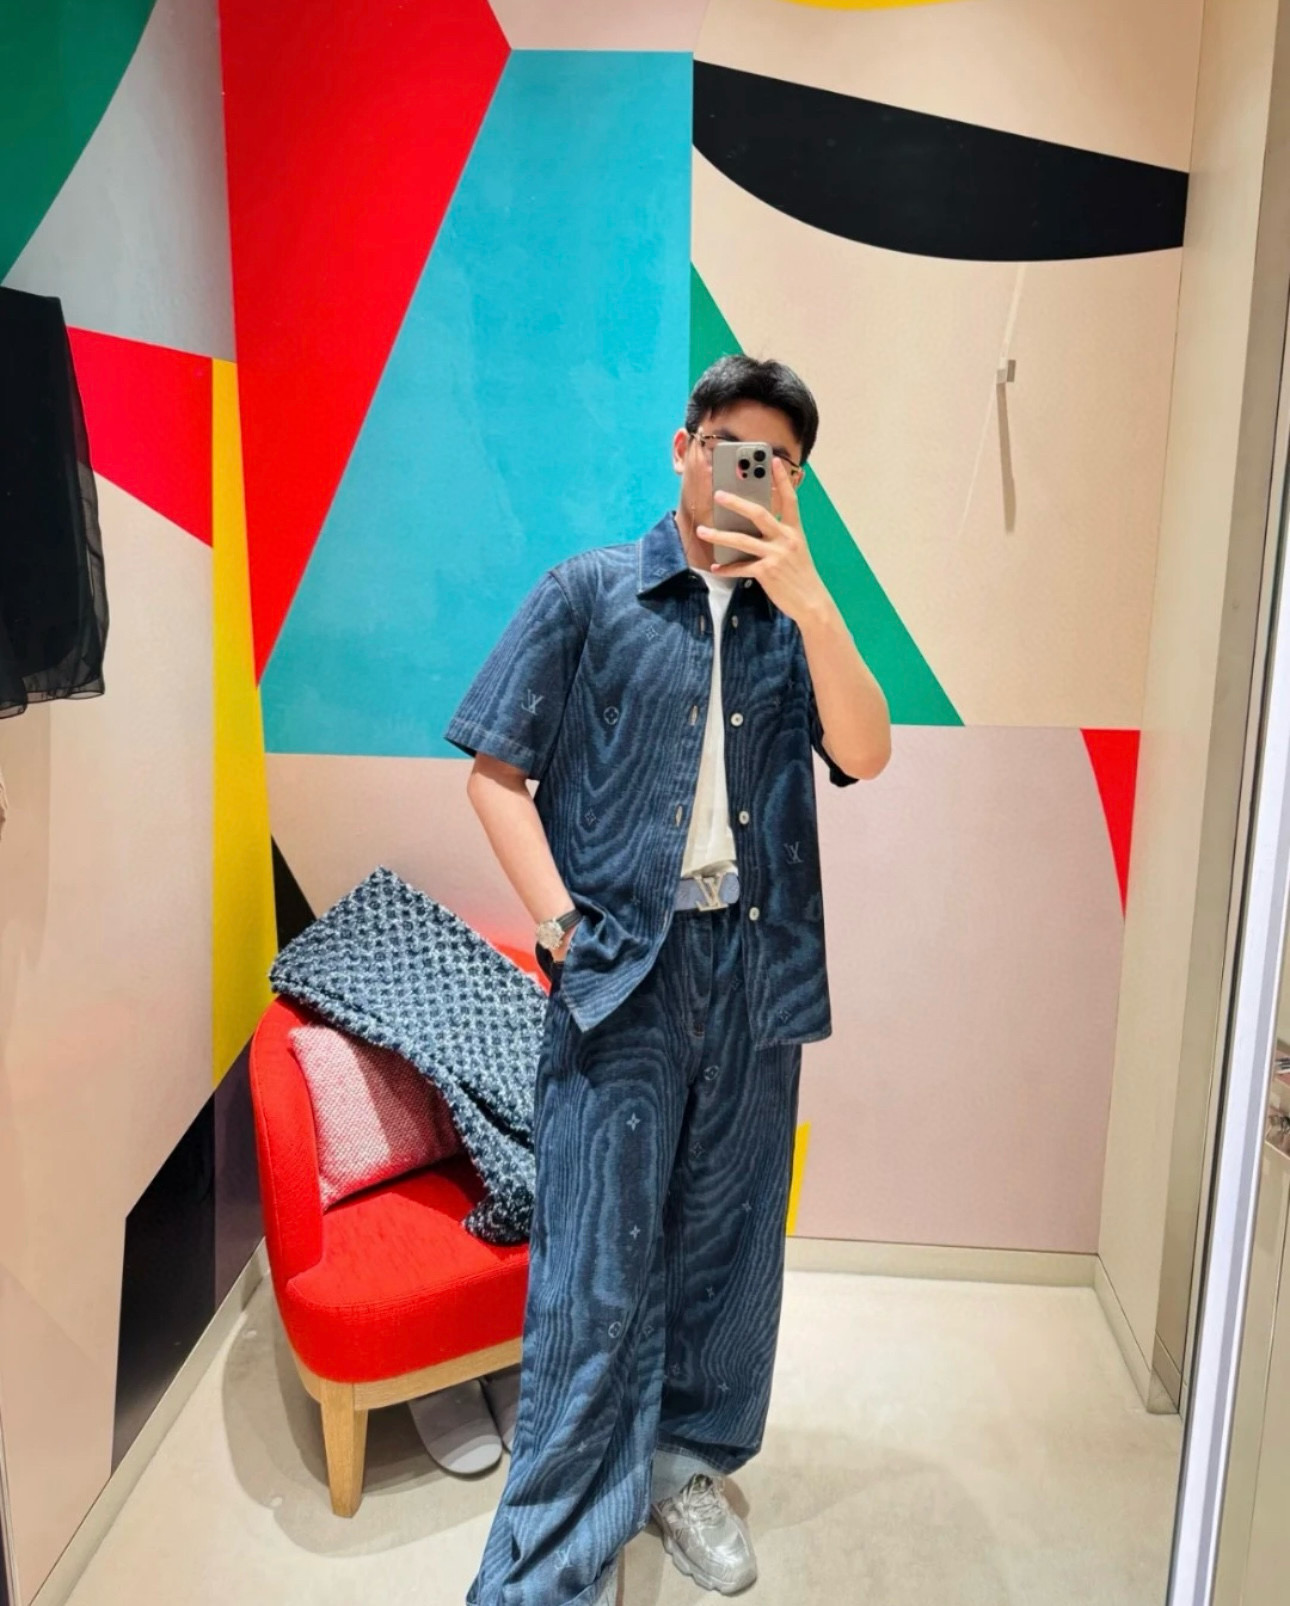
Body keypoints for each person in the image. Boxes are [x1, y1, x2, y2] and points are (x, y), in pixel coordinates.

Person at [445, 356, 891, 1605]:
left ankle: (684, 1465)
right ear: (684, 447)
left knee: (727, 1242)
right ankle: (557, 1542)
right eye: (734, 445)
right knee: (594, 1262)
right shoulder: (589, 592)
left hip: (756, 971)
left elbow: (867, 751)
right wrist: (555, 923)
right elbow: (494, 772)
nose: (752, 471)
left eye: (779, 461)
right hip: (621, 970)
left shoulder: (792, 621)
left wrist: (812, 599)